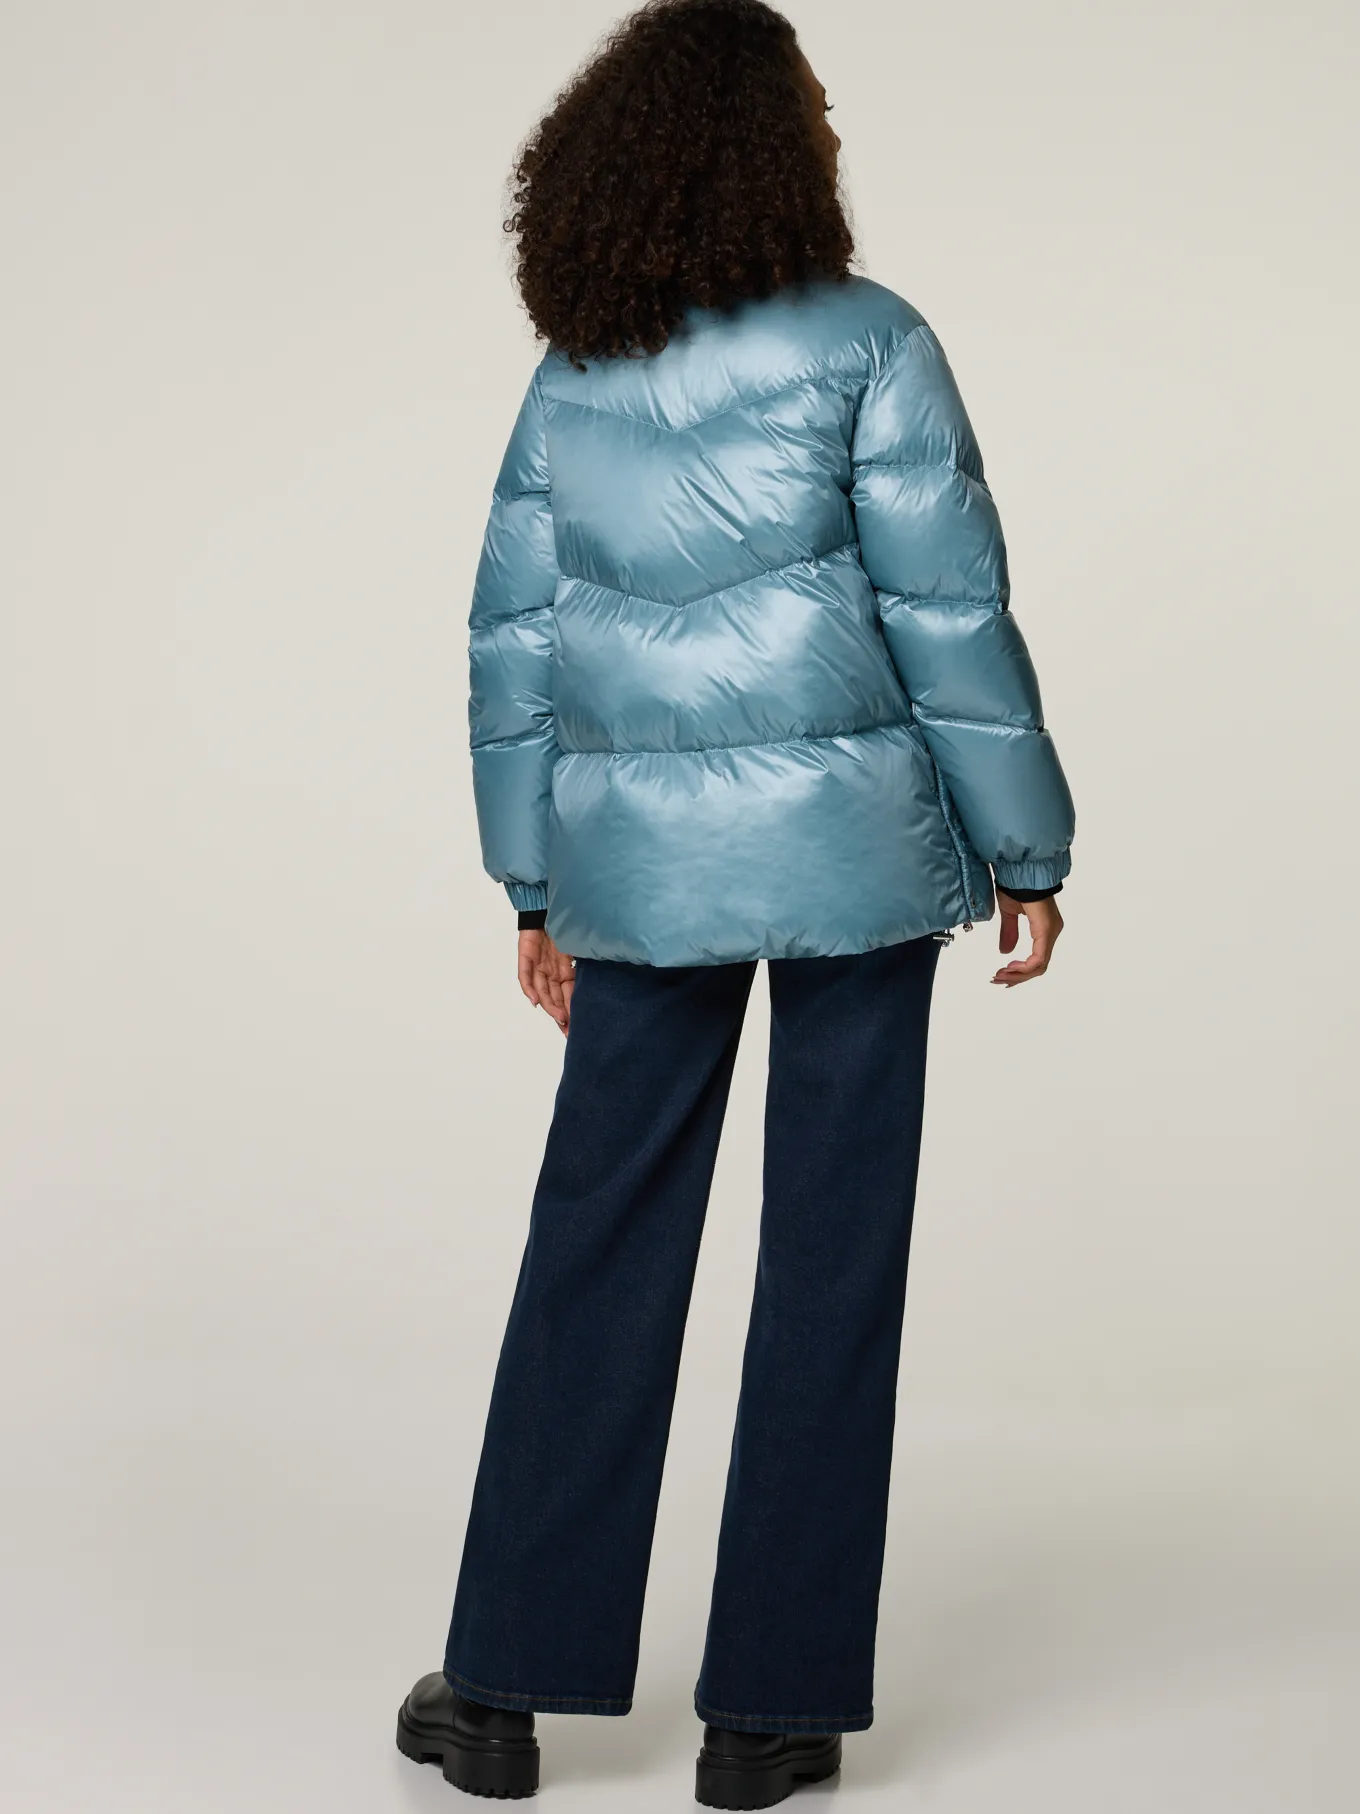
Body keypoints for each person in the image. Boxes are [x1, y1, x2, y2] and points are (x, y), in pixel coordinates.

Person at [396, 0, 1074, 1804]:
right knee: (833, 1257)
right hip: (858, 866)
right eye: (816, 109)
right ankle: (771, 1709)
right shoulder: (876, 340)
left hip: (638, 876)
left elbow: (513, 645)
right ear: (778, 146)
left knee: (597, 1236)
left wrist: (533, 881)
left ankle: (499, 1684)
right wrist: (1026, 845)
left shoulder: (578, 369)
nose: (833, 129)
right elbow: (951, 614)